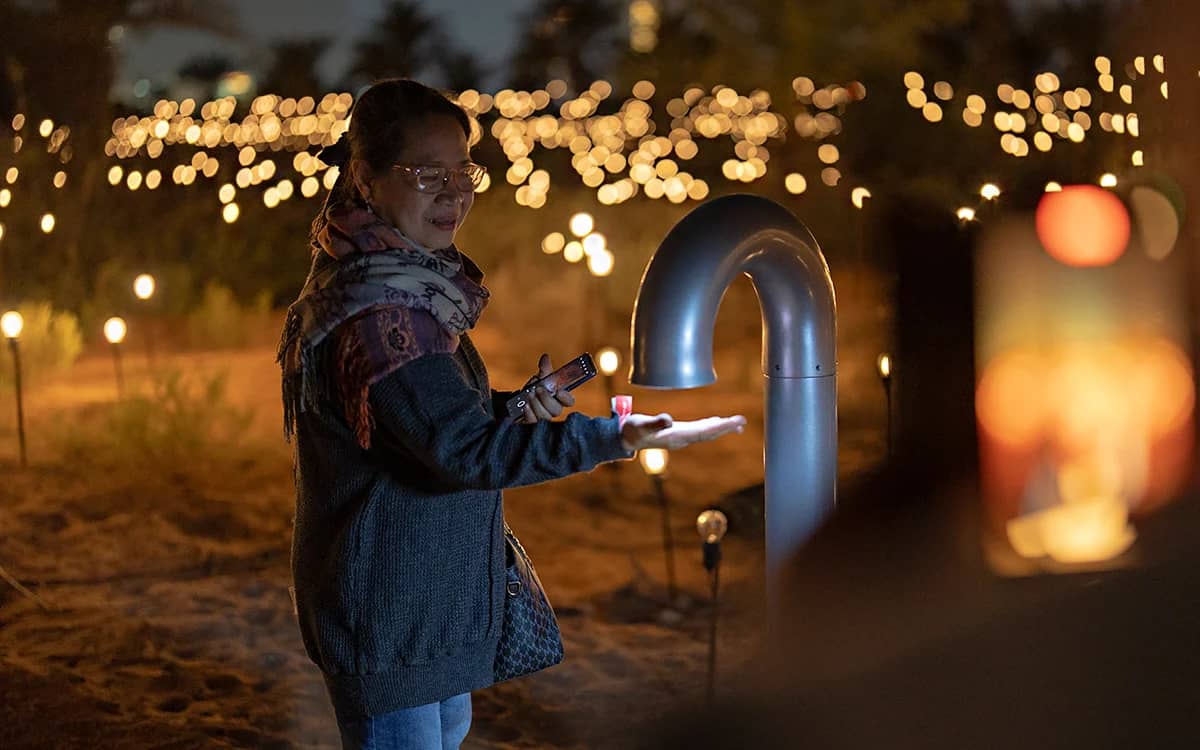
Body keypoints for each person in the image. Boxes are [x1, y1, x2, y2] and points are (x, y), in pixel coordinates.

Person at [277, 78, 746, 750]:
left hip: (422, 608)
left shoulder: (404, 283)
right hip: (393, 617)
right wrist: (612, 436)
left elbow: (421, 422)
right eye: (424, 173)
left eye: (462, 170)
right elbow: (460, 452)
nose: (453, 191)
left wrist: (519, 408)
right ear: (365, 178)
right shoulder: (382, 311)